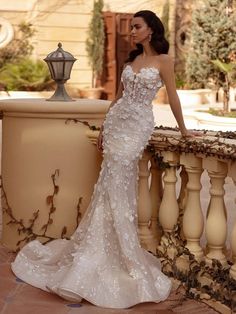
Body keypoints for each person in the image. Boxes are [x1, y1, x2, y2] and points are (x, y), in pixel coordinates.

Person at [11, 10, 197, 309]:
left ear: (151, 29)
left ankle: (113, 254)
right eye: (132, 27)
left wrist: (185, 130)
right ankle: (94, 253)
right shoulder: (130, 61)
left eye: (137, 27)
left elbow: (173, 97)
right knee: (109, 184)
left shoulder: (164, 61)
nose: (131, 32)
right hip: (118, 124)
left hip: (137, 127)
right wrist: (104, 128)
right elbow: (118, 98)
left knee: (117, 182)